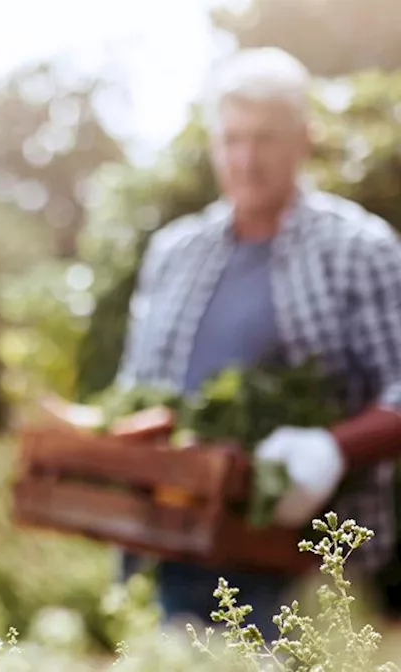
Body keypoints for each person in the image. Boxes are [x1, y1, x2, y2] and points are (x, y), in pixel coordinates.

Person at [114, 47, 401, 640]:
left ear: (304, 138)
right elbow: (135, 394)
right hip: (177, 553)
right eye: (232, 139)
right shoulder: (174, 252)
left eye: (266, 138)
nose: (246, 159)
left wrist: (333, 447)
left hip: (309, 568)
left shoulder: (360, 249)